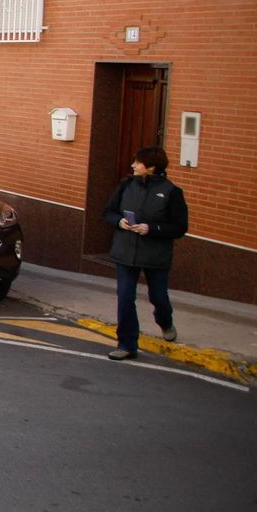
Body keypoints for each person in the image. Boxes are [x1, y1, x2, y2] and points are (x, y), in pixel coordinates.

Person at [102, 145, 189, 361]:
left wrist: (152, 229)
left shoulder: (172, 192)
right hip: (126, 252)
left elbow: (180, 227)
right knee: (125, 297)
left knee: (158, 296)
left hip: (155, 255)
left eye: (137, 162)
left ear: (151, 167)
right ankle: (126, 344)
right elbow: (108, 212)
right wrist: (119, 221)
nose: (133, 165)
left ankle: (165, 321)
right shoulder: (126, 185)